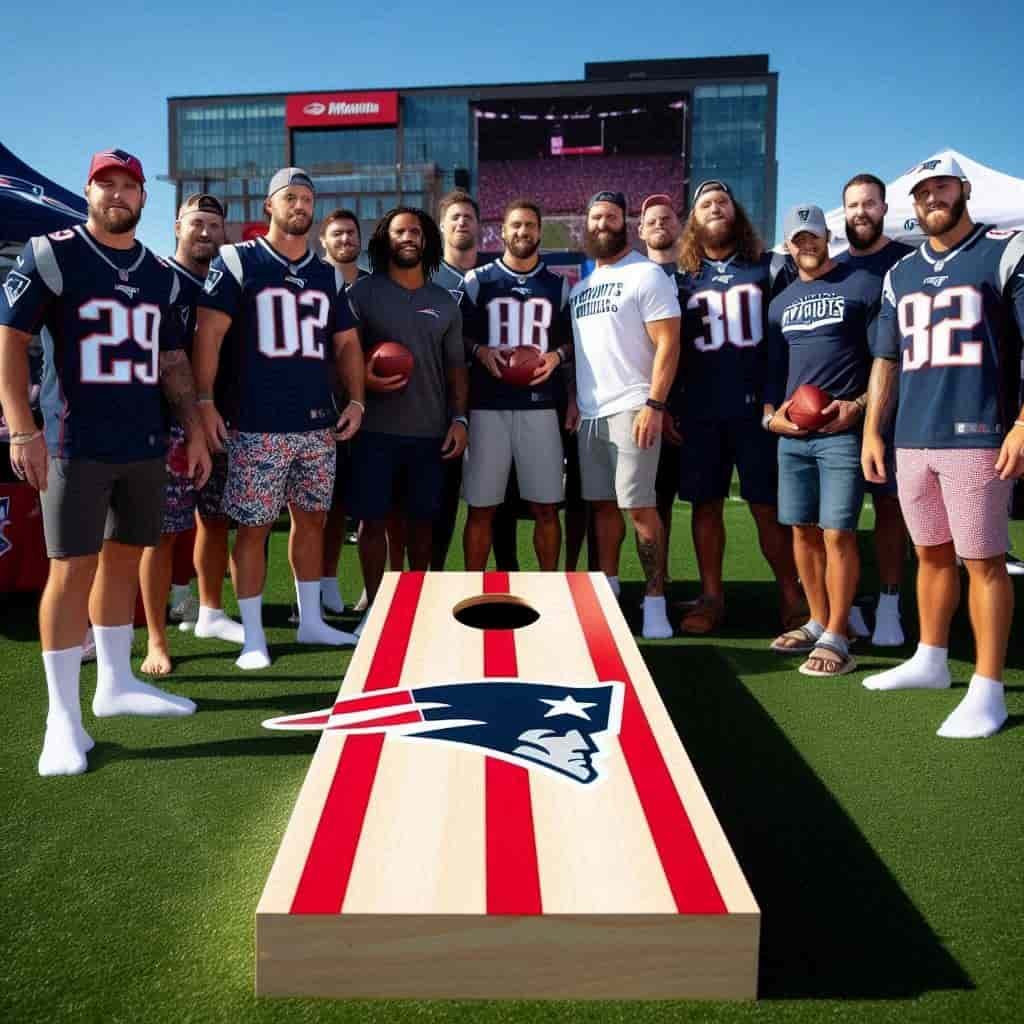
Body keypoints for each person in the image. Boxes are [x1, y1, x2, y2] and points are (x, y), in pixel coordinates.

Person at [0, 148, 212, 776]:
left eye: (128, 185)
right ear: (88, 191)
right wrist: (21, 429)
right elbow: (9, 347)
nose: (117, 194)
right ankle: (60, 718)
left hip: (144, 441)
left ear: (144, 198)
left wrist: (195, 431)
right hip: (74, 440)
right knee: (70, 570)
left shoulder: (162, 275)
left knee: (123, 558)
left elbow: (174, 364)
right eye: (105, 183)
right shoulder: (52, 252)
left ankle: (115, 684)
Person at [861, 155, 1024, 738]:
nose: (934, 197)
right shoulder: (899, 272)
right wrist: (873, 429)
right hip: (912, 436)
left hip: (977, 430)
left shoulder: (1005, 250)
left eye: (943, 187)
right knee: (929, 553)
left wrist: (1022, 424)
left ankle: (989, 688)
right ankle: (931, 658)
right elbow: (886, 356)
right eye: (924, 190)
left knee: (983, 562)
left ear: (964, 189)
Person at [193, 168, 365, 670]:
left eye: (308, 198)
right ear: (270, 205)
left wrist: (356, 400)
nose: (301, 205)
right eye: (291, 197)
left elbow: (348, 343)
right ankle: (252, 636)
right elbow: (209, 335)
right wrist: (205, 401)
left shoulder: (328, 272)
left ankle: (311, 620)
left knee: (311, 521)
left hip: (316, 423)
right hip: (256, 422)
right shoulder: (238, 260)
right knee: (253, 527)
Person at [674, 180, 803, 634]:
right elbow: (669, 348)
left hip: (757, 409)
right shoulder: (681, 277)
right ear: (693, 220)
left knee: (765, 505)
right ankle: (712, 598)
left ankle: (792, 594)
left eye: (722, 202)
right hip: (701, 408)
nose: (714, 208)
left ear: (736, 212)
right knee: (705, 505)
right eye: (705, 204)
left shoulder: (769, 267)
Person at [764, 204, 878, 676]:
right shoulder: (779, 303)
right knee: (802, 530)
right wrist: (772, 419)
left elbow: (886, 360)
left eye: (813, 236)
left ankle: (838, 632)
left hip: (840, 431)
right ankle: (815, 619)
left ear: (827, 236)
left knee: (838, 531)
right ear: (788, 247)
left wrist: (858, 404)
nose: (806, 244)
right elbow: (772, 373)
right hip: (792, 435)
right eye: (797, 239)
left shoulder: (861, 285)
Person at [567, 191, 680, 639]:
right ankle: (610, 590)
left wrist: (654, 404)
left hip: (633, 406)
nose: (602, 223)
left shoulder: (647, 275)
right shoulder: (581, 287)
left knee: (640, 507)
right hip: (591, 415)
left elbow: (669, 343)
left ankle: (655, 601)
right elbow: (585, 353)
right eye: (595, 216)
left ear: (624, 223)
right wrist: (576, 400)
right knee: (601, 509)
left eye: (611, 216)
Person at [347, 207, 467, 625]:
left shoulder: (444, 301)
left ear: (427, 240)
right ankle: (377, 610)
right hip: (374, 430)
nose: (408, 237)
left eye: (415, 231)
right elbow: (342, 358)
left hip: (429, 431)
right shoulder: (361, 295)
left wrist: (459, 420)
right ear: (385, 239)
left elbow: (456, 369)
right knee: (372, 521)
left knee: (422, 524)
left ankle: (419, 603)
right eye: (399, 231)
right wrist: (363, 380)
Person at [138, 193, 239, 675]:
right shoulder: (156, 277)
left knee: (216, 519)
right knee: (160, 533)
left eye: (214, 226)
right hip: (166, 425)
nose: (205, 233)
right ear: (178, 225)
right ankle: (156, 636)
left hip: (219, 418)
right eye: (196, 223)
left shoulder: (227, 281)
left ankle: (208, 609)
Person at [461, 198, 572, 571]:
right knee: (481, 507)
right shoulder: (478, 281)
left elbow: (574, 341)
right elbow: (456, 337)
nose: (523, 232)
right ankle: (472, 588)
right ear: (502, 231)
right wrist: (479, 351)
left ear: (540, 231)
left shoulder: (558, 286)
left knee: (545, 507)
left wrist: (556, 356)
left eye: (529, 225)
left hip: (540, 406)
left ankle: (549, 588)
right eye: (516, 225)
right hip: (487, 406)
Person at [836, 174, 914, 647]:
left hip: (894, 405)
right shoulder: (836, 266)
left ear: (885, 207)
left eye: (868, 203)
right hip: (838, 413)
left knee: (889, 508)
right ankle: (842, 607)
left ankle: (889, 604)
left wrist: (868, 404)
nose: (860, 212)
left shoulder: (905, 261)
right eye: (852, 204)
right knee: (836, 518)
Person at [317, 208, 370, 616]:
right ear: (324, 240)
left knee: (366, 503)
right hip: (320, 405)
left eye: (351, 233)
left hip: (370, 404)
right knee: (322, 505)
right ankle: (322, 584)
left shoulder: (374, 286)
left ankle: (358, 585)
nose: (345, 239)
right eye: (337, 234)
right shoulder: (314, 282)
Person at [639, 193, 685, 580]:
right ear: (640, 230)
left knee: (708, 503)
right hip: (652, 406)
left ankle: (710, 593)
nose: (659, 224)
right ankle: (659, 583)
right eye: (651, 219)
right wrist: (657, 403)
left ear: (679, 226)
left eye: (667, 218)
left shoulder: (695, 278)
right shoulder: (633, 278)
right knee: (653, 499)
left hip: (696, 404)